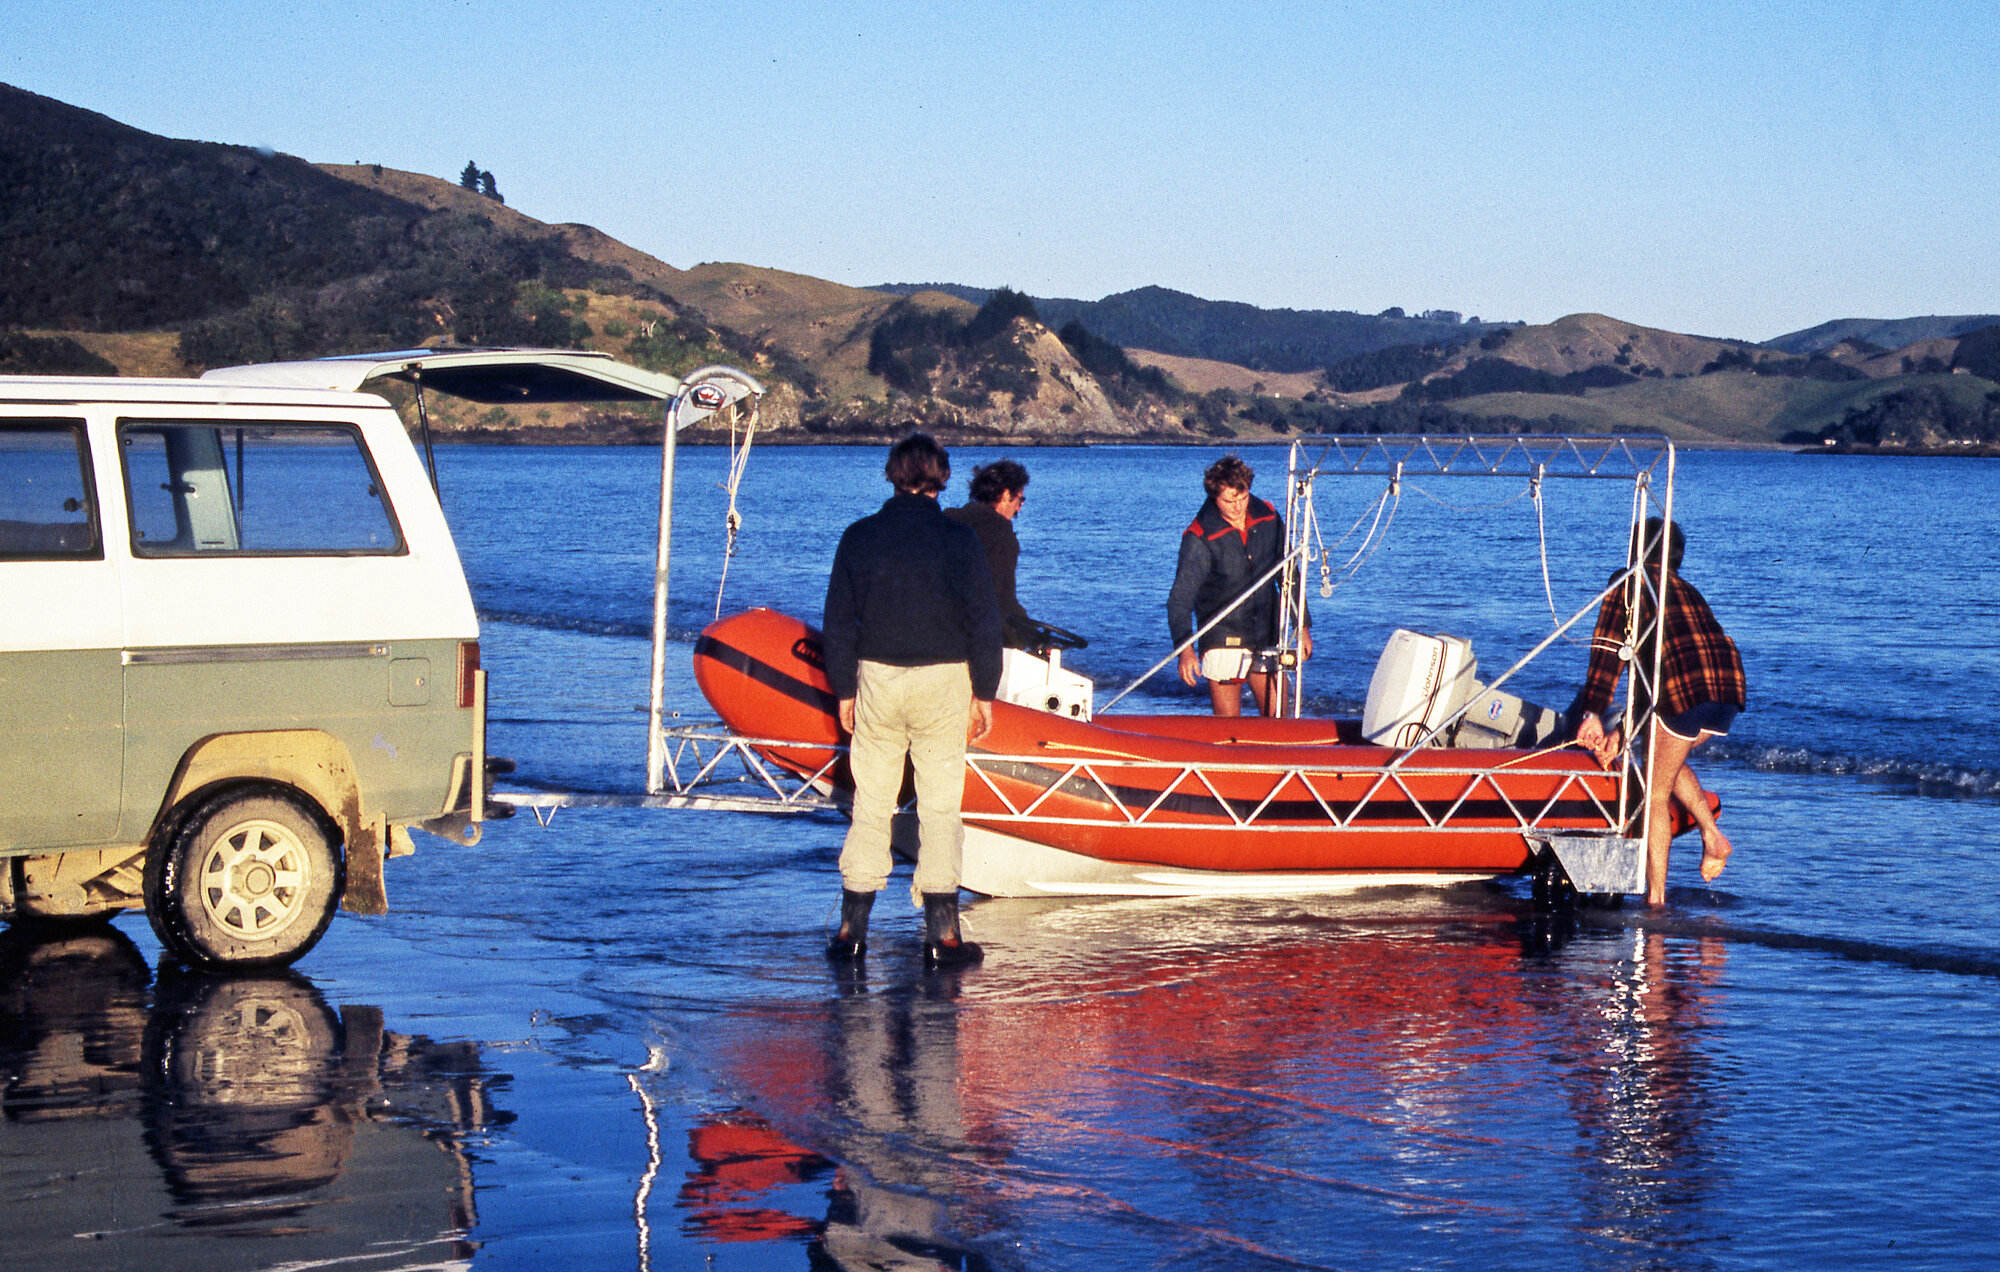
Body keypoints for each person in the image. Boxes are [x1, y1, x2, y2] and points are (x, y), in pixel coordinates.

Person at [821, 432, 1003, 968]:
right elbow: (983, 623)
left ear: (892, 475)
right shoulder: (960, 539)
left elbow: (838, 623)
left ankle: (851, 931)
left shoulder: (859, 536)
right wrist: (985, 692)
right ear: (942, 478)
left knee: (871, 803)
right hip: (944, 681)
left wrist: (844, 690)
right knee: (940, 805)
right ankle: (942, 936)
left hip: (878, 677)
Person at [1568, 517, 1746, 907]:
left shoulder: (1627, 582)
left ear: (1636, 549)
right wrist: (1623, 733)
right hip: (1725, 688)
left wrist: (1592, 712)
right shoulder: (1688, 589)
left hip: (1685, 690)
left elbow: (1608, 654)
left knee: (1654, 791)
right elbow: (1657, 671)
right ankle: (1712, 836)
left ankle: (1656, 901)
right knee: (1662, 757)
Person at [1166, 455, 1310, 716]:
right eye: (1228, 501)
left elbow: (1289, 574)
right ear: (1214, 497)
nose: (1237, 507)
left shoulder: (1267, 515)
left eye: (1242, 498)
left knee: (1280, 719)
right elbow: (1179, 600)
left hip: (1268, 630)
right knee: (1228, 725)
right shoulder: (1199, 536)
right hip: (1222, 633)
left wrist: (1302, 626)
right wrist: (1185, 650)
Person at [944, 459, 1034, 648]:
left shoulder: (948, 519)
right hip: (970, 645)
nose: (1019, 508)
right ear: (1005, 495)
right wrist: (1033, 637)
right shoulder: (1001, 536)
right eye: (1020, 500)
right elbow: (1001, 599)